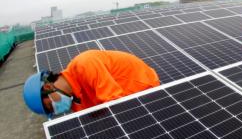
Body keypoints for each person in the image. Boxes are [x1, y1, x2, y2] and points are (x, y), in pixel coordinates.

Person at [23, 50, 160, 117]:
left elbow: (118, 105)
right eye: (53, 111)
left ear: (48, 87)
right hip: (131, 99)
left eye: (51, 106)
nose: (58, 110)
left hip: (147, 86)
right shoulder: (75, 102)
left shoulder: (85, 64)